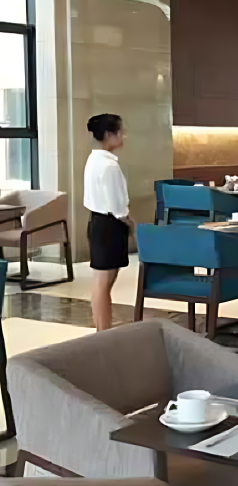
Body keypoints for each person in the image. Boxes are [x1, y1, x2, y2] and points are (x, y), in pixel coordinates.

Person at [84, 114, 131, 331]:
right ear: (108, 134)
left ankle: (103, 330)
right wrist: (129, 222)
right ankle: (103, 332)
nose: (123, 136)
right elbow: (117, 205)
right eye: (120, 132)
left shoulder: (94, 159)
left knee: (101, 284)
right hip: (109, 225)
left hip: (98, 222)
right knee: (103, 285)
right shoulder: (109, 166)